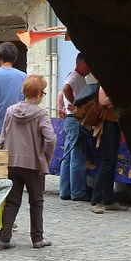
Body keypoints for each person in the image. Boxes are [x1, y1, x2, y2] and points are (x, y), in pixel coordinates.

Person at [0, 75, 57, 250]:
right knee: (36, 201)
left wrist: (1, 156)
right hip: (33, 164)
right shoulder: (40, 113)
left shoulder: (10, 111)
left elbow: (3, 135)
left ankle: (4, 237)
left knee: (12, 201)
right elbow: (51, 138)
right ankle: (37, 238)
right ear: (38, 94)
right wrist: (46, 158)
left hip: (11, 161)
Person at [57, 53, 92, 202]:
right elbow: (65, 89)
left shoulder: (77, 77)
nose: (90, 69)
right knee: (77, 157)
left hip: (71, 120)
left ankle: (65, 190)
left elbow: (62, 91)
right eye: (88, 65)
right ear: (80, 63)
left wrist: (63, 105)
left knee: (68, 156)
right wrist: (76, 104)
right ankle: (77, 192)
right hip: (75, 120)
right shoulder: (74, 76)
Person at [90, 86, 128, 215]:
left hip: (116, 123)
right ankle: (96, 201)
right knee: (107, 163)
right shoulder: (104, 85)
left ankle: (108, 200)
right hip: (108, 124)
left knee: (111, 163)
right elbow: (103, 101)